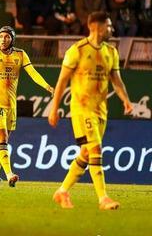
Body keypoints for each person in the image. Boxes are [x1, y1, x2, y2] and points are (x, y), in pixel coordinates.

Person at [48, 11, 133, 210]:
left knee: (86, 153)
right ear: (97, 26)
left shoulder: (111, 52)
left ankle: (62, 191)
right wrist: (54, 108)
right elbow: (62, 81)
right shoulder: (76, 50)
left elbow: (116, 81)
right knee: (95, 149)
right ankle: (103, 198)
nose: (112, 29)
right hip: (81, 109)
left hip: (100, 110)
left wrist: (126, 101)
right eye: (109, 25)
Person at [0, 26, 54, 188]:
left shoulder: (20, 54)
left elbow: (33, 73)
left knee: (2, 142)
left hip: (11, 105)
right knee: (2, 139)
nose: (3, 39)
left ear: (12, 39)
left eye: (6, 36)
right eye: (1, 36)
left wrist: (48, 87)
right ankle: (9, 174)